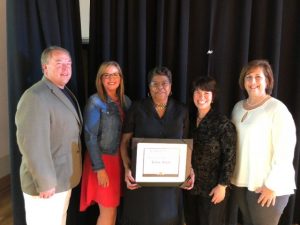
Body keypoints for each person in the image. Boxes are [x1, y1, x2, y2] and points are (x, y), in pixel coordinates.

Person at [15, 46, 82, 225]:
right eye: (59, 63)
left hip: (62, 179)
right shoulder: (35, 96)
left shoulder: (63, 91)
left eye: (68, 63)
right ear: (45, 68)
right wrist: (45, 182)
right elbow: (32, 144)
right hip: (46, 186)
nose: (66, 68)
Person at [120, 66, 194, 225]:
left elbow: (186, 143)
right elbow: (124, 142)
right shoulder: (137, 108)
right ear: (149, 87)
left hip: (170, 183)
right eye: (155, 84)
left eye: (165, 83)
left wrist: (190, 169)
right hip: (141, 181)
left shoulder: (182, 110)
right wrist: (127, 168)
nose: (160, 87)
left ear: (171, 87)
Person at [231, 59, 296, 225]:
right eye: (248, 77)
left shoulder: (276, 109)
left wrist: (271, 185)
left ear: (267, 80)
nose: (253, 82)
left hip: (267, 186)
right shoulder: (238, 107)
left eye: (258, 77)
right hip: (242, 181)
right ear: (243, 81)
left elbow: (285, 150)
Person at [80, 61, 131, 225]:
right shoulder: (95, 101)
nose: (111, 78)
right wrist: (99, 168)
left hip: (119, 162)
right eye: (107, 75)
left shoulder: (126, 101)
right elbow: (89, 137)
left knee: (113, 210)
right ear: (100, 79)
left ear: (121, 78)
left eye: (115, 74)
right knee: (108, 212)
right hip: (102, 162)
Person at [183, 76, 237, 225]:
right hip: (190, 186)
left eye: (206, 93)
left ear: (213, 97)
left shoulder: (223, 123)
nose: (201, 97)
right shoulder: (187, 119)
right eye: (198, 92)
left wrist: (222, 186)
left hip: (213, 188)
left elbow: (230, 157)